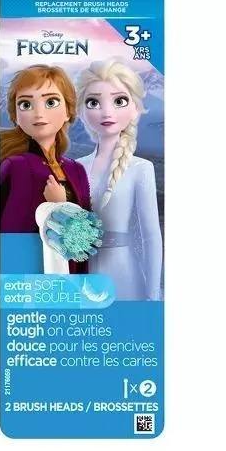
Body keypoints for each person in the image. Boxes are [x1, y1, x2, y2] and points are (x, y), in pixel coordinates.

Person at [76, 60, 163, 299]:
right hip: (82, 277)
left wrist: (153, 295)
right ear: (81, 111)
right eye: (93, 102)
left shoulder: (140, 169)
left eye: (119, 101)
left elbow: (151, 236)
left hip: (125, 275)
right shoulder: (75, 167)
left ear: (135, 109)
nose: (107, 112)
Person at [0, 64, 90, 273]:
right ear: (15, 116)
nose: (38, 113)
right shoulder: (15, 166)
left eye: (51, 102)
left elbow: (86, 238)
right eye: (25, 104)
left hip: (69, 273)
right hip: (21, 274)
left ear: (68, 111)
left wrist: (61, 206)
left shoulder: (76, 170)